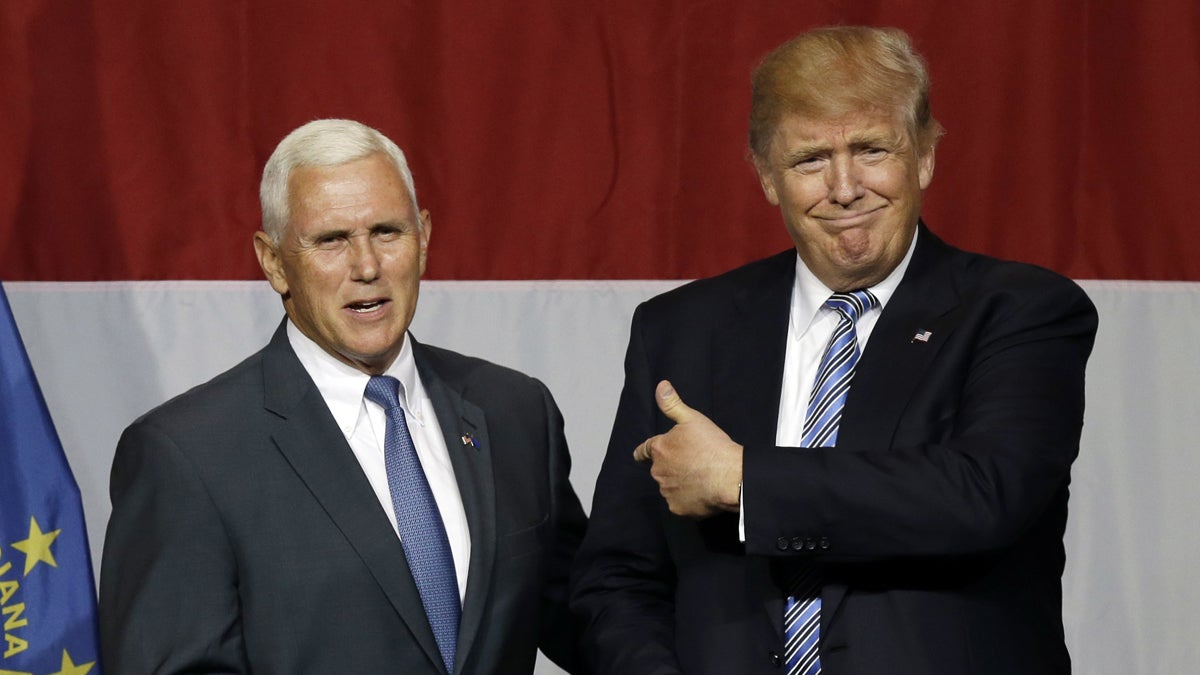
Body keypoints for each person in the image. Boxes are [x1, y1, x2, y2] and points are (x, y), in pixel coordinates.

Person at [570, 26, 1098, 674]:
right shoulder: (679, 329)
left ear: (924, 156)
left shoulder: (1021, 310)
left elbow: (983, 494)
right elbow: (616, 579)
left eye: (872, 149)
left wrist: (746, 481)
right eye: (810, 159)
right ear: (767, 175)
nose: (845, 187)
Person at [99, 119, 587, 674]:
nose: (367, 267)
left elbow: (591, 614)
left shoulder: (515, 411)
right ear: (274, 261)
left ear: (423, 237)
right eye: (331, 240)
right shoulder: (186, 455)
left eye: (387, 231)